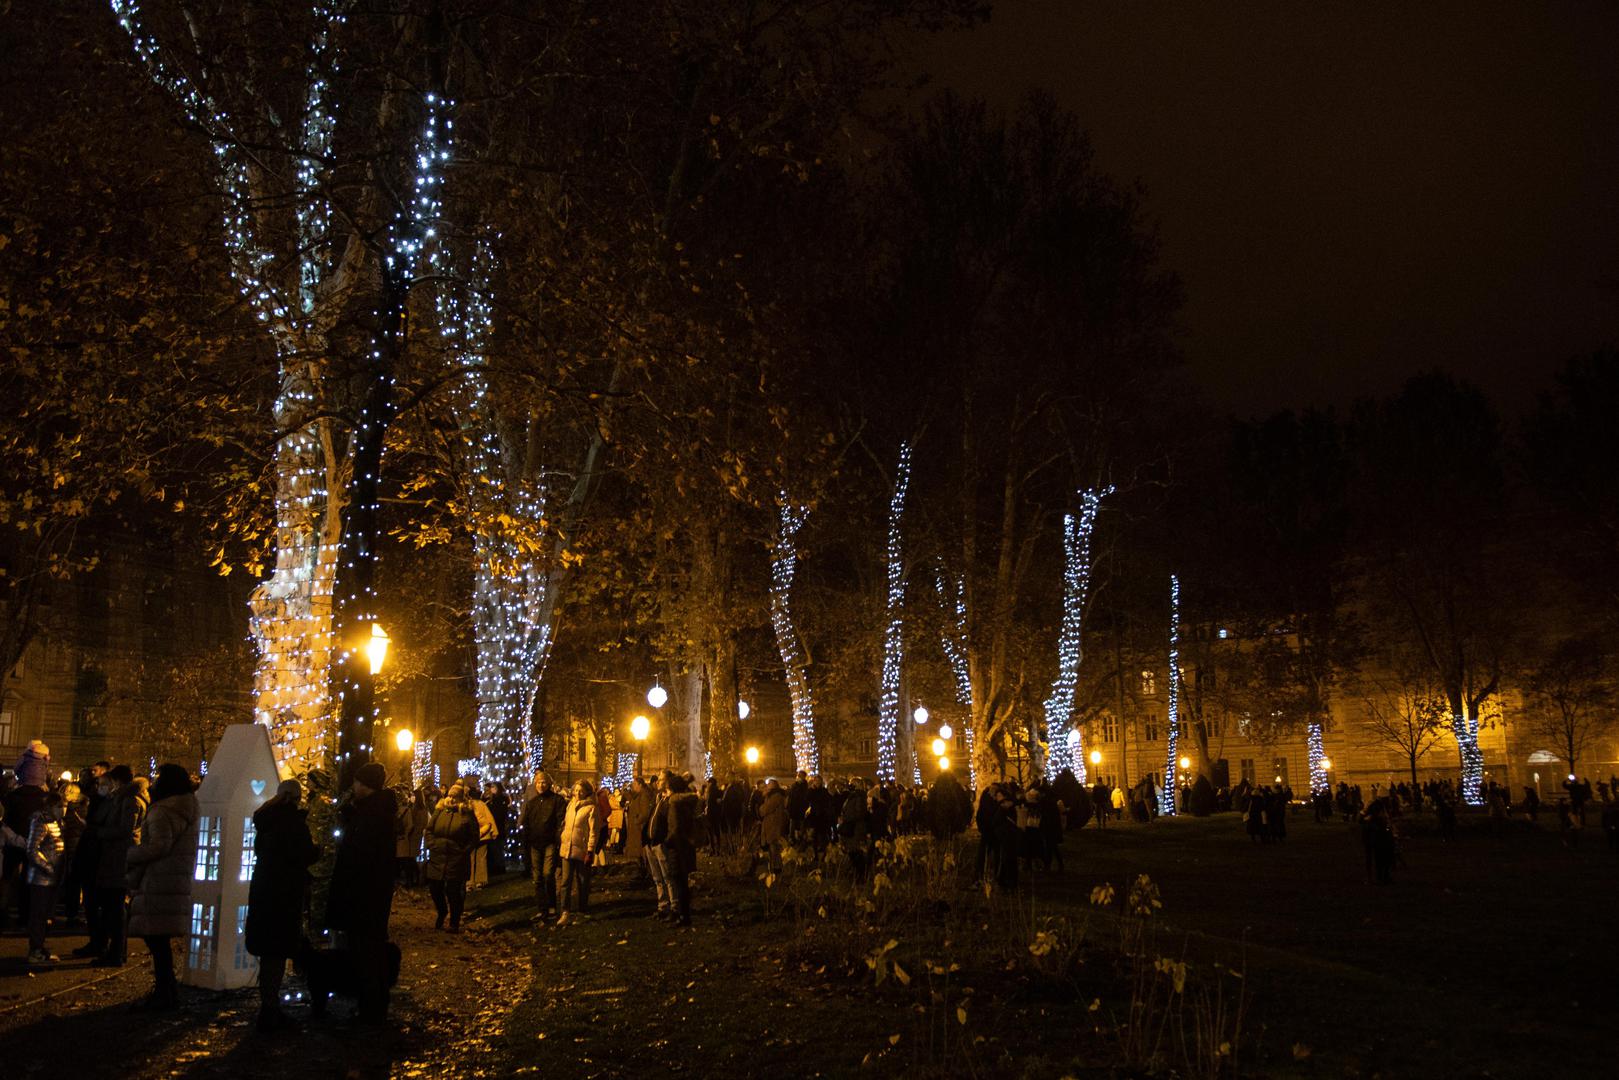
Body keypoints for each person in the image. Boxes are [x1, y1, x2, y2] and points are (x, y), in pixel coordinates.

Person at [325, 761, 398, 1026]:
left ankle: (371, 1009)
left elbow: (360, 857)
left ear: (365, 786)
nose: (353, 786)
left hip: (365, 897)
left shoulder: (372, 817)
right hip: (368, 895)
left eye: (357, 782)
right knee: (369, 950)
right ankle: (372, 1005)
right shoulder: (370, 813)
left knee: (366, 952)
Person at [246, 779, 320, 1032]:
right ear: (296, 798)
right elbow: (303, 854)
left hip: (264, 890)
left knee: (269, 952)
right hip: (283, 893)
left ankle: (268, 1005)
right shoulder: (293, 824)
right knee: (276, 952)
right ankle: (270, 1011)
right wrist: (318, 850)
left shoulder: (265, 820)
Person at [125, 764, 199, 1011]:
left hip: (159, 880)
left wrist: (131, 854)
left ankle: (165, 993)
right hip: (175, 880)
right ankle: (167, 991)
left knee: (156, 940)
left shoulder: (162, 811)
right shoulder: (189, 808)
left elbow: (158, 846)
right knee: (159, 941)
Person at [77, 765, 147, 967]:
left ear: (117, 782)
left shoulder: (131, 800)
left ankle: (116, 953)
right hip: (115, 856)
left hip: (119, 857)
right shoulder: (124, 799)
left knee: (115, 908)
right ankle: (113, 951)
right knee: (112, 907)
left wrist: (99, 832)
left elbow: (125, 830)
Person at [423, 783, 479, 932]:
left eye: (455, 797)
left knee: (454, 891)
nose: (452, 799)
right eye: (450, 796)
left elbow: (474, 836)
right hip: (438, 856)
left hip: (456, 859)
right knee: (435, 888)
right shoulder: (439, 810)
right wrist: (432, 845)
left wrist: (463, 851)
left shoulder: (466, 813)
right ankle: (442, 911)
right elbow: (429, 830)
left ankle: (454, 921)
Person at [25, 790, 67, 966]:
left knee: (46, 915)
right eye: (59, 806)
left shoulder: (57, 822)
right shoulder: (40, 821)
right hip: (41, 878)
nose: (62, 809)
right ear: (50, 806)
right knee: (38, 915)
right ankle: (35, 950)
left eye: (64, 806)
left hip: (52, 878)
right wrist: (48, 868)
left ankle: (40, 948)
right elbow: (32, 850)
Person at [522, 771, 566, 922]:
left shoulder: (557, 800)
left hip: (549, 843)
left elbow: (560, 821)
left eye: (544, 782)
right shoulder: (532, 803)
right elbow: (526, 824)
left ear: (549, 784)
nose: (541, 785)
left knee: (548, 874)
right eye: (538, 782)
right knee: (537, 878)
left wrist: (556, 839)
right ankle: (542, 908)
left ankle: (552, 906)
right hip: (535, 843)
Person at [557, 779, 599, 925]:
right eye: (576, 790)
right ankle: (565, 911)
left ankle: (582, 910)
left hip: (581, 850)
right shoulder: (570, 805)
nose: (577, 793)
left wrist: (590, 850)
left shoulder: (591, 808)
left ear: (587, 791)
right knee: (565, 882)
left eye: (581, 790)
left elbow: (593, 831)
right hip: (567, 848)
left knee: (582, 881)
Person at [755, 778, 788, 873]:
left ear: (773, 786)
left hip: (774, 825)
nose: (767, 785)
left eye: (769, 784)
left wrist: (761, 809)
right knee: (772, 846)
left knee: (774, 847)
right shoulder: (771, 795)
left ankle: (777, 867)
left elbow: (765, 809)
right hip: (771, 824)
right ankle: (774, 866)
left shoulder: (776, 796)